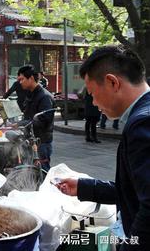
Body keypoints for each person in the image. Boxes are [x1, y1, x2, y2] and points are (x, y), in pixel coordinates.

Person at [55, 46, 150, 250]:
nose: (95, 102)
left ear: (112, 82)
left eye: (92, 94)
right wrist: (84, 187)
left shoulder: (142, 123)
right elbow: (133, 190)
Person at [16, 65, 55, 172]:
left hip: (41, 141)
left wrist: (20, 124)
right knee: (32, 171)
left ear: (31, 78)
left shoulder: (45, 96)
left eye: (22, 79)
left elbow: (43, 120)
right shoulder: (31, 94)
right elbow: (28, 114)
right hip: (30, 139)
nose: (20, 82)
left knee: (43, 171)